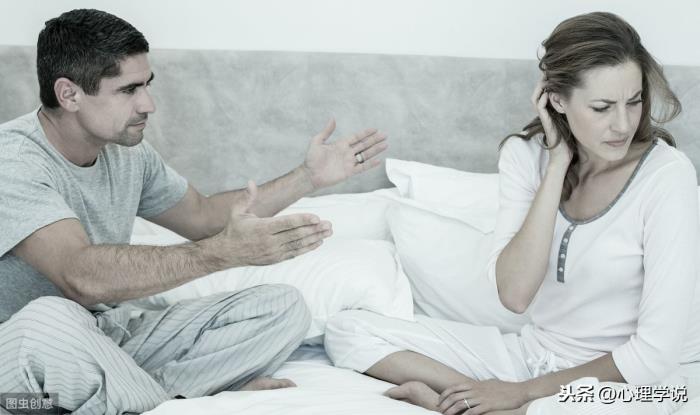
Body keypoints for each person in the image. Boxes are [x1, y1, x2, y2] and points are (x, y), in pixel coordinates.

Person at [0, 8, 388, 415]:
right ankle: (167, 399)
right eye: (128, 90)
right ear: (69, 95)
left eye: (147, 85)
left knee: (283, 307)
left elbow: (203, 217)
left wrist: (307, 177)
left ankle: (138, 394)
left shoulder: (128, 154)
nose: (148, 104)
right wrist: (222, 253)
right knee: (50, 319)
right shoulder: (13, 160)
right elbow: (80, 277)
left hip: (105, 336)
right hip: (22, 352)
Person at [324, 11, 700, 415]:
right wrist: (557, 165)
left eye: (634, 101)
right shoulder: (526, 156)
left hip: (638, 383)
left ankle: (487, 405)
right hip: (537, 356)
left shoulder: (666, 175)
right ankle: (480, 398)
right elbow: (516, 295)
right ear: (557, 100)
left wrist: (522, 393)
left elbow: (654, 356)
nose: (623, 124)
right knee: (349, 330)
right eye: (602, 107)